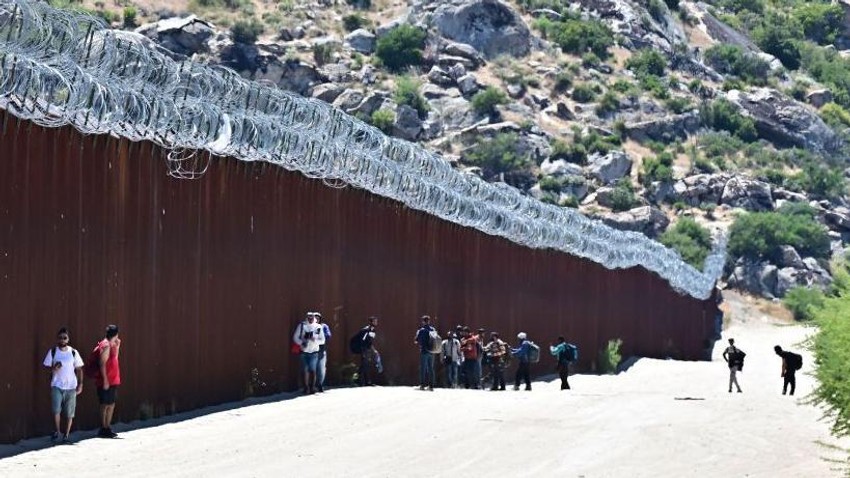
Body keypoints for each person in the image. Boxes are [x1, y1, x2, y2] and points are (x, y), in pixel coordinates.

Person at [42, 327, 84, 443]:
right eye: (60, 338)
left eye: (64, 338)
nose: (62, 340)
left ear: (68, 339)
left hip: (71, 386)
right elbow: (46, 368)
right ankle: (58, 431)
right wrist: (54, 368)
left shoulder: (73, 352)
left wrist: (80, 384)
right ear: (57, 339)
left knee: (70, 412)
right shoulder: (53, 352)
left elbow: (79, 369)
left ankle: (66, 434)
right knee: (56, 410)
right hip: (57, 385)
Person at [95, 325, 121, 438]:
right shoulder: (105, 345)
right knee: (104, 404)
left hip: (113, 379)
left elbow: (114, 358)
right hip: (106, 380)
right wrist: (105, 380)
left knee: (111, 404)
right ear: (115, 334)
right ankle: (103, 427)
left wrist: (118, 346)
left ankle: (107, 427)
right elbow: (102, 363)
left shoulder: (112, 344)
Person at [293, 312, 323, 394]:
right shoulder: (302, 325)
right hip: (304, 350)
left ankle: (312, 387)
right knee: (304, 369)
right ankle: (306, 388)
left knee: (312, 370)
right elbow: (295, 337)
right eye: (309, 317)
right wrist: (301, 342)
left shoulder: (318, 327)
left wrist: (315, 340)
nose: (310, 319)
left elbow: (322, 340)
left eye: (312, 318)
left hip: (314, 351)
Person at [414, 315, 436, 391]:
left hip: (424, 351)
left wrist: (417, 335)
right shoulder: (433, 329)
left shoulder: (422, 330)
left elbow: (417, 341)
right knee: (431, 369)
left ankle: (422, 385)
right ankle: (431, 386)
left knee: (423, 369)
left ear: (423, 321)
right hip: (432, 352)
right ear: (429, 321)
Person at [357, 316, 378, 386]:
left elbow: (370, 341)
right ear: (371, 322)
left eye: (376, 321)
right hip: (364, 349)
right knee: (364, 365)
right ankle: (361, 380)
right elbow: (363, 340)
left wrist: (373, 350)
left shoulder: (373, 330)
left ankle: (363, 381)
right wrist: (363, 350)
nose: (376, 322)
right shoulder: (367, 329)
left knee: (365, 365)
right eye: (375, 321)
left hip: (368, 349)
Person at [315, 312, 332, 390]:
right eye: (315, 318)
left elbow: (328, 335)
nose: (316, 319)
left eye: (318, 318)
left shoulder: (324, 326)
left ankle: (320, 384)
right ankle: (311, 385)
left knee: (321, 368)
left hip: (321, 349)